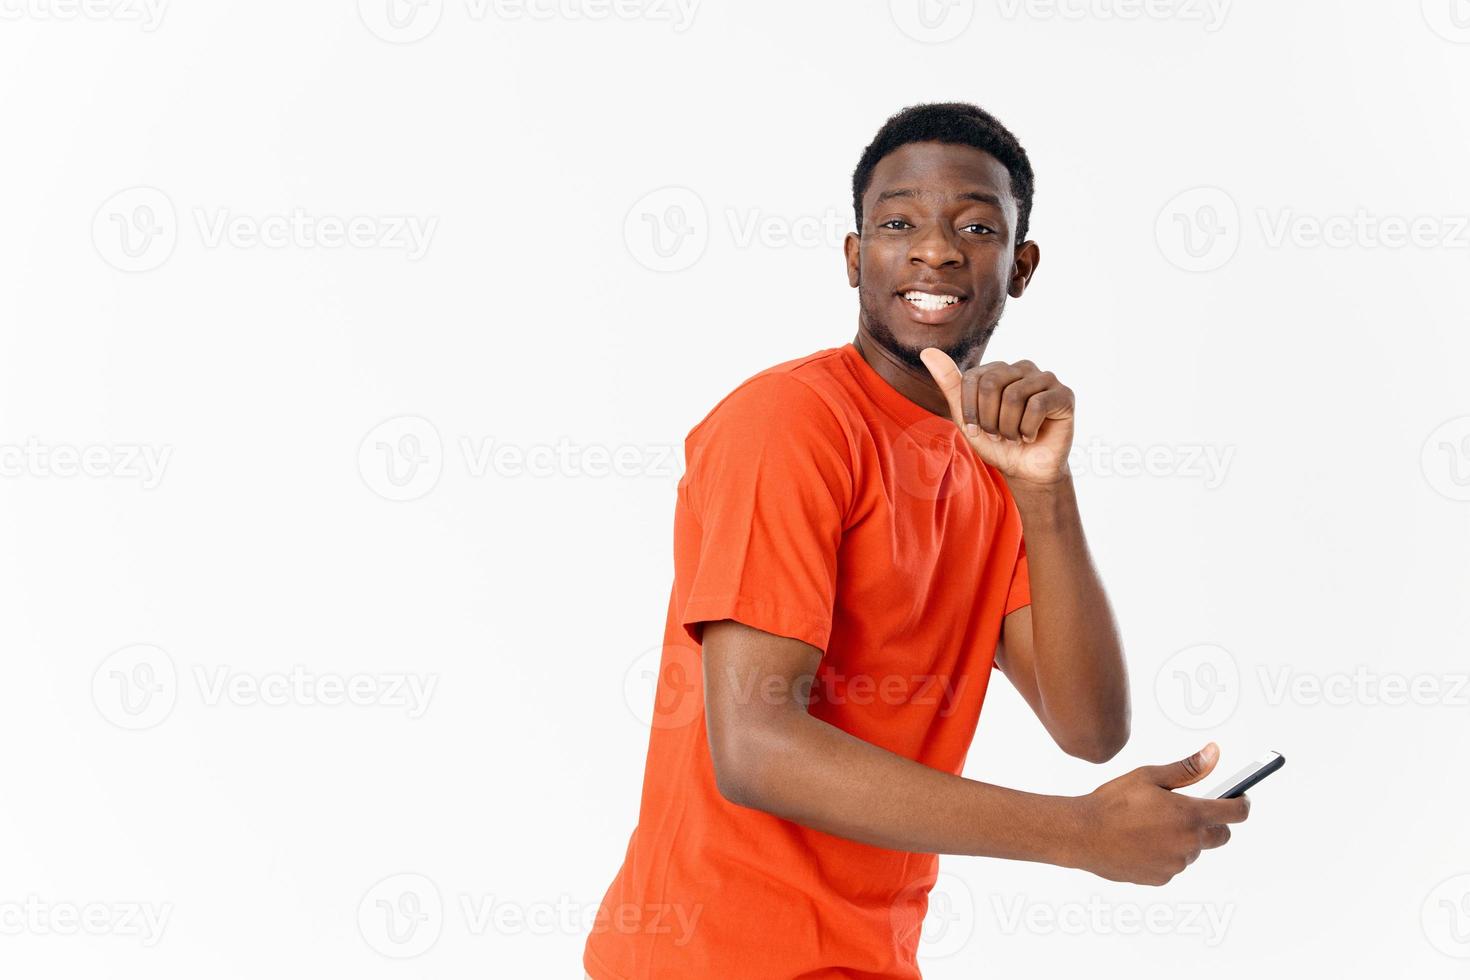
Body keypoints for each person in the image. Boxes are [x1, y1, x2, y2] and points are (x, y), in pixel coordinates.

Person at [583, 102, 1250, 980]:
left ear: (1022, 266)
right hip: (708, 958)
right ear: (857, 258)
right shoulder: (790, 424)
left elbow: (1089, 728)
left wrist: (1046, 492)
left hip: (867, 959)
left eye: (976, 226)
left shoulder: (991, 469)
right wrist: (1078, 833)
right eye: (897, 223)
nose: (934, 250)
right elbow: (754, 746)